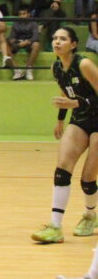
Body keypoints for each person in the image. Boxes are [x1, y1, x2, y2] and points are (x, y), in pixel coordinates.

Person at [33, 27, 98, 249]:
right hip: (80, 119)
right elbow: (65, 94)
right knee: (62, 168)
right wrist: (61, 119)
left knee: (88, 178)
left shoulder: (84, 64)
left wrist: (76, 104)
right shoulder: (57, 67)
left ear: (73, 44)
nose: (57, 42)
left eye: (62, 38)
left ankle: (90, 215)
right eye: (54, 38)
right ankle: (55, 226)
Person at [8, 4, 41, 81]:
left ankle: (28, 69)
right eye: (20, 14)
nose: (22, 16)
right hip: (18, 43)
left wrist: (27, 42)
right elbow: (12, 36)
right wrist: (13, 41)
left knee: (37, 44)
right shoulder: (15, 23)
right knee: (5, 45)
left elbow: (36, 37)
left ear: (28, 14)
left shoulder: (34, 23)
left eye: (24, 14)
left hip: (29, 43)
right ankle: (17, 70)